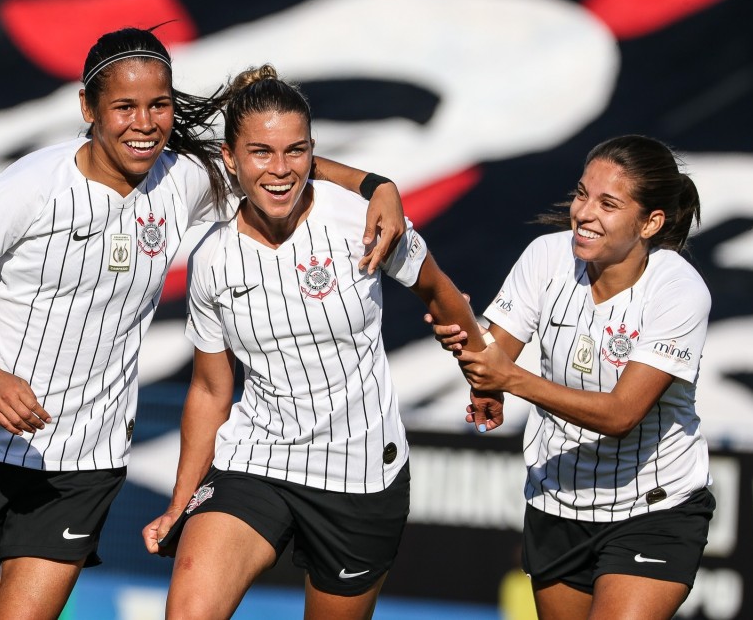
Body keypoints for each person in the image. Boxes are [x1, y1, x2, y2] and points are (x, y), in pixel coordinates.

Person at [0, 27, 408, 620]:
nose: (144, 123)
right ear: (88, 108)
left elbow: (279, 162)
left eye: (159, 105)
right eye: (123, 107)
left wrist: (376, 186)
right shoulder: (27, 188)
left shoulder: (185, 177)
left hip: (81, 460)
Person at [141, 64, 491, 620]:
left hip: (361, 476)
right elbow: (211, 389)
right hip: (255, 460)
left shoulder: (361, 219)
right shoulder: (211, 257)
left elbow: (440, 292)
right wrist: (181, 501)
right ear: (230, 160)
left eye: (295, 151)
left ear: (313, 152)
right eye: (260, 153)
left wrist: (484, 378)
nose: (280, 171)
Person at [432, 135, 714, 619]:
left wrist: (509, 380)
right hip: (556, 499)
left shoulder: (679, 291)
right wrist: (455, 320)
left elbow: (622, 414)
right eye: (582, 194)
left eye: (608, 203)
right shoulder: (545, 255)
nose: (583, 212)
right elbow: (492, 357)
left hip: (655, 507)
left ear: (650, 222)